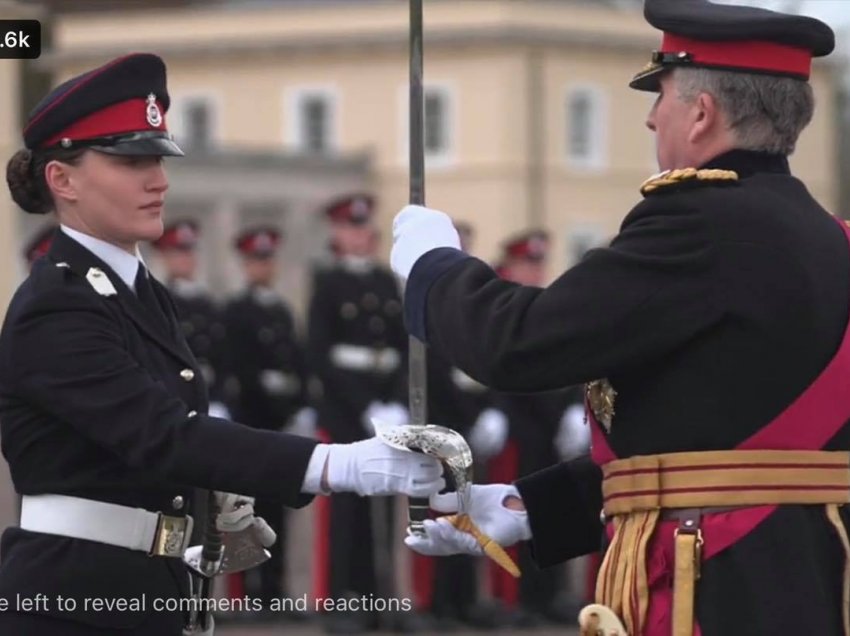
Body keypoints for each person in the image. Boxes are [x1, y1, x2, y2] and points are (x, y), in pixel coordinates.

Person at [392, 1, 850, 635]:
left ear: (701, 113)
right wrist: (535, 507)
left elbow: (520, 344)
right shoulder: (829, 239)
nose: (650, 114)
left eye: (660, 93)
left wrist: (434, 269)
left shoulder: (700, 220)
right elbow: (719, 438)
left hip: (716, 578)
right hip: (808, 568)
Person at [0, 53, 444, 636]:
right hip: (74, 592)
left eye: (157, 159)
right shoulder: (56, 303)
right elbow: (161, 434)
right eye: (130, 161)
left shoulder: (140, 292)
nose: (157, 179)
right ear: (63, 179)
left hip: (150, 580)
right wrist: (336, 464)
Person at [306, 194, 410, 634]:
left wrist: (397, 401)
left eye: (364, 229)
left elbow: (404, 348)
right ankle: (343, 600)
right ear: (337, 235)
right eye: (350, 229)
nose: (359, 237)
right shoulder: (327, 284)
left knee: (384, 506)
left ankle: (380, 597)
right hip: (348, 411)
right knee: (347, 509)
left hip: (385, 405)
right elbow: (320, 355)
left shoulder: (387, 284)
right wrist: (362, 404)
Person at [221, 225, 312, 622]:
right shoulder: (236, 311)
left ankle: (275, 592)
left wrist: (301, 401)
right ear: (245, 265)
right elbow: (237, 365)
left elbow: (298, 361)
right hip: (251, 420)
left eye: (269, 259)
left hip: (280, 421)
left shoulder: (280, 310)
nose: (264, 266)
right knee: (245, 513)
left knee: (278, 512)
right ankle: (248, 595)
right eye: (257, 260)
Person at [150, 219, 229, 416]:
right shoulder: (157, 301)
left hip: (213, 397)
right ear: (165, 257)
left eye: (190, 251)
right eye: (179, 252)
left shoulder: (208, 304)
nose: (187, 258)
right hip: (177, 400)